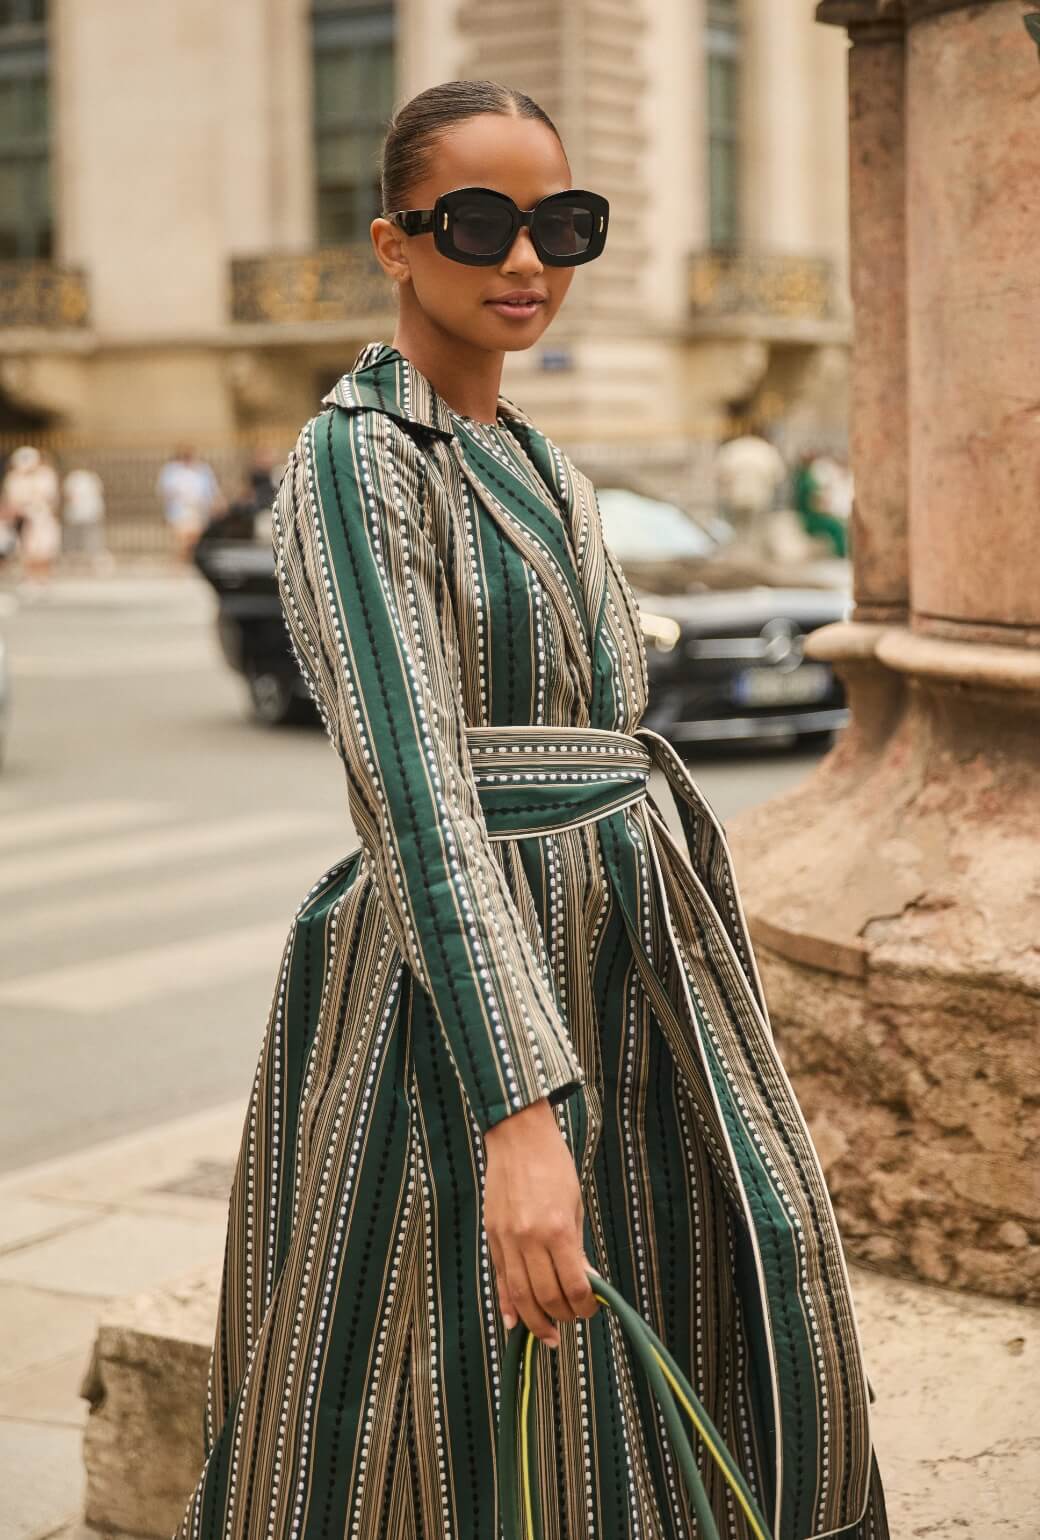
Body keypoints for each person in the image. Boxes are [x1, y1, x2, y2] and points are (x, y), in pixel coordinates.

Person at [175, 80, 889, 1540]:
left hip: (625, 971)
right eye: (478, 223)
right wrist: (517, 1114)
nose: (523, 259)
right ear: (394, 241)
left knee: (666, 1359)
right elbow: (417, 793)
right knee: (447, 1402)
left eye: (561, 224)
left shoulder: (541, 459)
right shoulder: (357, 455)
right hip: (462, 999)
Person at [0, 445, 61, 583]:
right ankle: (31, 576)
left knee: (44, 547)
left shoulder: (45, 475)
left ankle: (44, 576)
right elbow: (12, 499)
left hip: (41, 516)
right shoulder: (14, 478)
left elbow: (50, 497)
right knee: (27, 547)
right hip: (22, 518)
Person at [156, 444, 223, 562]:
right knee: (183, 537)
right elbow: (165, 490)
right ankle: (182, 559)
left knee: (195, 537)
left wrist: (217, 502)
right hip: (180, 509)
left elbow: (212, 489)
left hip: (198, 508)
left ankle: (187, 559)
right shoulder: (172, 470)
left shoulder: (203, 469)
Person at [61, 465, 108, 569]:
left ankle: (91, 557)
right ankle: (74, 557)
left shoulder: (91, 478)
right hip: (76, 514)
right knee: (75, 537)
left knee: (91, 537)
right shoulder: (74, 478)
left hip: (90, 513)